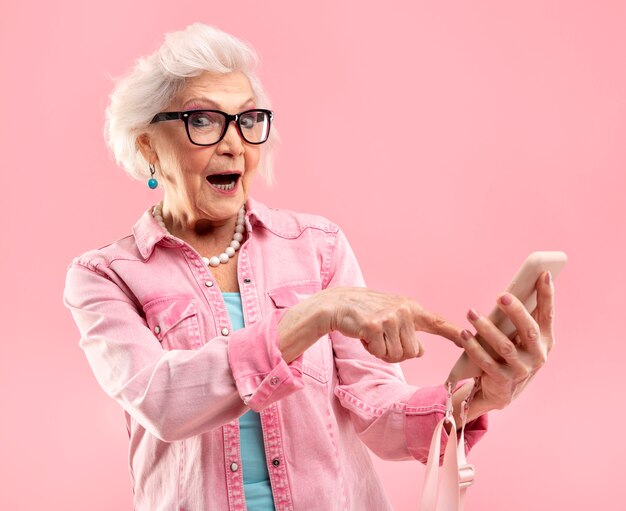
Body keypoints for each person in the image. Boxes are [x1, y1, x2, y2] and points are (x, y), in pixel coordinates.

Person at [62, 23, 556, 511]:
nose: (234, 143)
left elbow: (377, 410)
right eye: (203, 121)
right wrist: (316, 314)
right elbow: (164, 401)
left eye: (248, 120)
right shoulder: (105, 275)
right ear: (148, 145)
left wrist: (475, 398)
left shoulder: (317, 246)